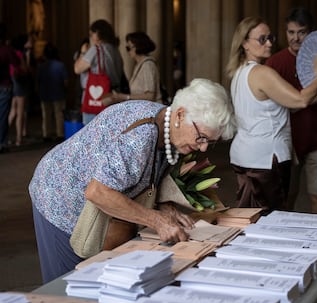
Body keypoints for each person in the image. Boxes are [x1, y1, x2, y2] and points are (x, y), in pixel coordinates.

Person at [29, 78, 236, 283]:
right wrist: (156, 220)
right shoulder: (141, 136)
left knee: (89, 282)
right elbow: (98, 192)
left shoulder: (169, 125)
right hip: (58, 197)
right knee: (67, 286)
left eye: (211, 141)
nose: (203, 148)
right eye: (201, 137)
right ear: (181, 115)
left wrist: (164, 206)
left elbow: (148, 172)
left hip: (83, 199)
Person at [226, 16, 317, 215]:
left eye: (271, 38)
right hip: (266, 159)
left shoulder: (239, 73)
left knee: (249, 218)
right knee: (273, 220)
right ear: (244, 43)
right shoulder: (261, 73)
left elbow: (276, 107)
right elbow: (301, 100)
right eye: (262, 39)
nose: (269, 43)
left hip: (244, 155)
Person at [266, 8, 317, 214]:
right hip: (287, 141)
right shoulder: (274, 63)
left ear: (311, 33)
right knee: (287, 197)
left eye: (301, 32)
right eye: (291, 32)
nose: (296, 38)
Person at [74, 19, 124, 125]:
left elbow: (77, 69)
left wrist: (83, 52)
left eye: (92, 33)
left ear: (98, 33)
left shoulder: (96, 50)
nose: (91, 36)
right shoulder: (115, 50)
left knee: (91, 134)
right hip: (113, 96)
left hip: (96, 99)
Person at [102, 31, 162, 105]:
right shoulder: (139, 65)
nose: (128, 51)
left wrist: (125, 97)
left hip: (150, 111)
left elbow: (150, 96)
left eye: (129, 48)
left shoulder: (148, 65)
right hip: (143, 109)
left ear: (138, 47)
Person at [36, 43, 68, 141]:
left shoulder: (41, 66)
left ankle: (47, 134)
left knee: (46, 115)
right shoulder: (60, 65)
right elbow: (66, 81)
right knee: (59, 115)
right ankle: (60, 134)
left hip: (45, 93)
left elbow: (37, 81)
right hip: (58, 93)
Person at [8, 34, 30, 146]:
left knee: (13, 110)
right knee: (20, 112)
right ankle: (19, 139)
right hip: (20, 83)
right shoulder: (20, 54)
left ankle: (4, 136)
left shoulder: (12, 52)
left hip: (13, 81)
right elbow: (25, 69)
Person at [0, 23, 19, 153]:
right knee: (2, 116)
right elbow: (16, 63)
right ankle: (1, 143)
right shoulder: (6, 49)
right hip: (4, 85)